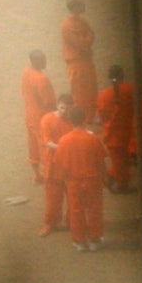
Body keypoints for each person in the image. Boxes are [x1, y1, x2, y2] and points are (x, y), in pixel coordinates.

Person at [53, 105, 109, 251]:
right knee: (94, 209)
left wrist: (66, 180)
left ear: (70, 121)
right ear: (84, 119)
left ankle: (80, 242)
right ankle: (95, 240)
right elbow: (101, 162)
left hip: (73, 181)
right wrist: (106, 178)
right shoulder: (93, 139)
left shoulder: (64, 141)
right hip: (92, 180)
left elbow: (60, 165)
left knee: (76, 211)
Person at [38, 92, 75, 237]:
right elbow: (46, 142)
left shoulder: (74, 120)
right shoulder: (47, 119)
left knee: (73, 197)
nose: (64, 111)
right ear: (58, 105)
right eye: (62, 108)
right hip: (53, 165)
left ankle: (72, 222)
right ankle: (49, 223)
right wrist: (64, 146)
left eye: (68, 109)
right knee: (52, 198)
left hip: (69, 165)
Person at [98, 63, 137, 192]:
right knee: (122, 164)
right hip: (127, 133)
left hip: (111, 134)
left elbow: (101, 116)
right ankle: (119, 184)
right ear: (122, 76)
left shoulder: (103, 95)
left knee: (119, 163)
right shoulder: (129, 89)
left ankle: (110, 178)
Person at [21, 51, 58, 176]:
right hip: (40, 116)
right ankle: (48, 173)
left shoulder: (26, 72)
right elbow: (48, 102)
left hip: (30, 114)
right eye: (43, 60)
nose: (45, 62)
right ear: (36, 61)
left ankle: (37, 174)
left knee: (33, 145)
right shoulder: (42, 79)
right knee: (44, 145)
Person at [59, 0, 98, 115]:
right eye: (80, 5)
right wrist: (86, 42)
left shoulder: (83, 21)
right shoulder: (66, 25)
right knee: (79, 91)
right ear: (74, 7)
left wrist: (86, 42)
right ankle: (82, 118)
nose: (83, 7)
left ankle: (91, 116)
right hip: (75, 61)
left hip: (86, 60)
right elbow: (75, 42)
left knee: (91, 89)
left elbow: (91, 34)